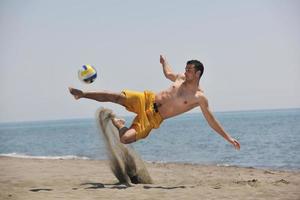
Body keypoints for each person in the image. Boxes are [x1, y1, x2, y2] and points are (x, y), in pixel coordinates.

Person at [68, 55, 240, 150]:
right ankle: (82, 94)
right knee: (116, 96)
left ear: (198, 73)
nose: (185, 72)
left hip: (153, 119)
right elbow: (168, 73)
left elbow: (211, 120)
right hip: (147, 99)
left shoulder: (199, 97)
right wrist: (164, 63)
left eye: (189, 70)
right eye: (186, 69)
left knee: (125, 139)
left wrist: (228, 138)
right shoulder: (180, 78)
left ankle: (120, 124)